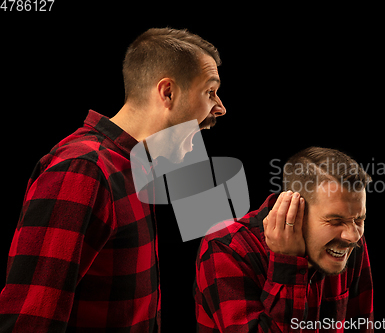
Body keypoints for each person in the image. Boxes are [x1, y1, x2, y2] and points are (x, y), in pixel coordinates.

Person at [0, 27, 225, 332]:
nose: (220, 108)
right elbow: (32, 320)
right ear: (168, 92)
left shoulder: (135, 167)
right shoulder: (83, 170)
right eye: (210, 91)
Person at [194, 147, 374, 332]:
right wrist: (287, 264)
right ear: (295, 212)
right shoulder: (226, 246)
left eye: (359, 220)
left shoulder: (348, 240)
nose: (353, 236)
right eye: (335, 221)